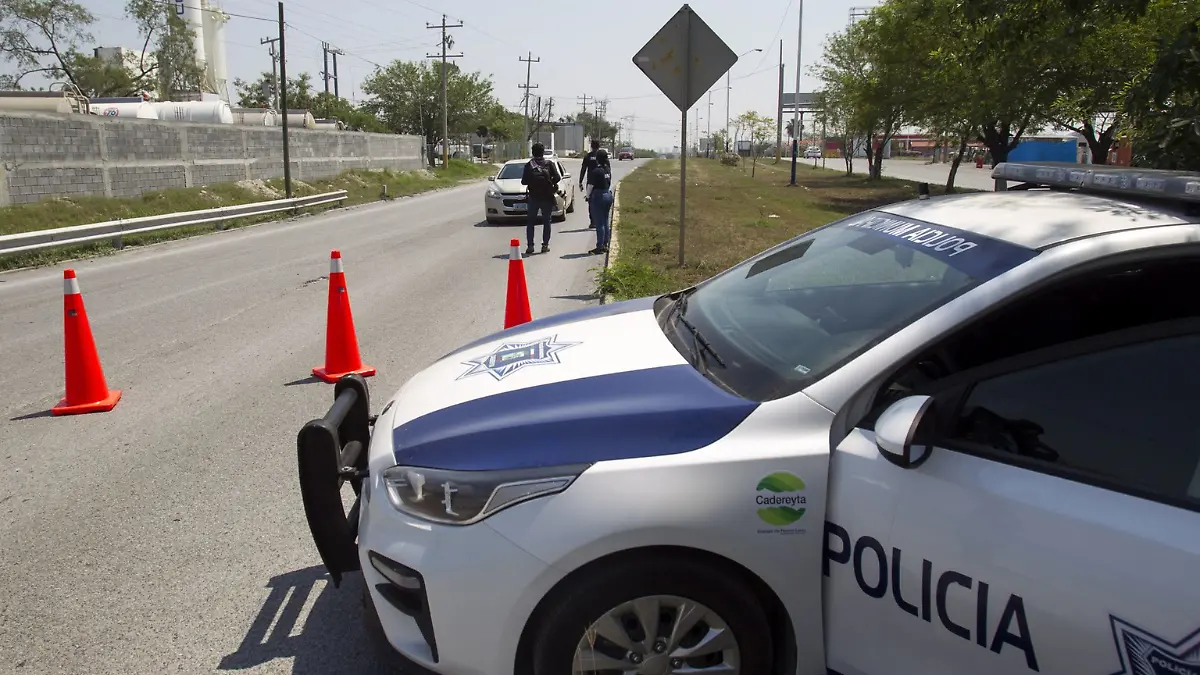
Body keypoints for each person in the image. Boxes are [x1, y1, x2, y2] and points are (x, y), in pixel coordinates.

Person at [521, 142, 561, 256]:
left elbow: (523, 181)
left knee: (531, 222)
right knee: (546, 221)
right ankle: (545, 245)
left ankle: (530, 246)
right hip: (547, 197)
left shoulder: (529, 165)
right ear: (543, 152)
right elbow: (557, 177)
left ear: (533, 152)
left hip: (534, 197)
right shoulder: (549, 164)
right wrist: (549, 183)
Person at [587, 149, 614, 256]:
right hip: (607, 195)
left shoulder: (596, 171)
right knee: (605, 221)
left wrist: (588, 196)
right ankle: (605, 244)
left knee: (599, 223)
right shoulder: (607, 169)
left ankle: (599, 247)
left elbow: (590, 186)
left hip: (599, 196)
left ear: (597, 159)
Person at [579, 139, 603, 228]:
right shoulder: (602, 156)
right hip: (601, 182)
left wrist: (580, 182)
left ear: (591, 146)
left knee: (591, 202)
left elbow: (583, 169)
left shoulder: (588, 156)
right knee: (600, 202)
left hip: (590, 182)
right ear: (599, 146)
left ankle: (593, 222)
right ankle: (600, 221)